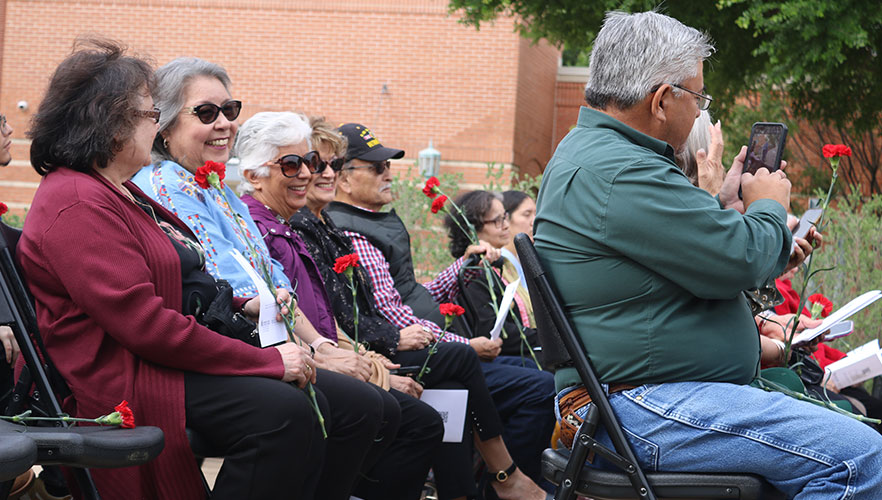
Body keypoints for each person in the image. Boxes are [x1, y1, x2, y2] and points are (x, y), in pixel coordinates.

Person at [533, 10, 882, 498]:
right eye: (698, 97)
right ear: (661, 100)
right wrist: (766, 206)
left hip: (640, 396)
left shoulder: (604, 157)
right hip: (637, 405)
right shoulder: (623, 171)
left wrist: (727, 210)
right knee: (862, 459)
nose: (700, 111)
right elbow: (739, 261)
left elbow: (694, 258)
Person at [18, 40, 323, 500]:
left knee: (321, 405)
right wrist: (266, 361)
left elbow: (172, 288)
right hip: (125, 376)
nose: (156, 124)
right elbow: (146, 325)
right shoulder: (77, 202)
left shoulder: (115, 190)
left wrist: (242, 304)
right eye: (149, 113)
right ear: (112, 123)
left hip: (154, 360)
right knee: (283, 414)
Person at [131, 58, 388, 500]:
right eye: (206, 113)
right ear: (166, 127)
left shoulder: (217, 188)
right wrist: (314, 352)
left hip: (259, 339)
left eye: (230, 110)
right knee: (328, 408)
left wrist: (320, 346)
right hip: (209, 351)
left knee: (363, 406)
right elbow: (231, 287)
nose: (224, 123)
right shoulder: (165, 185)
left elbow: (272, 280)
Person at [291, 117, 549, 500]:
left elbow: (407, 294)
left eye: (388, 165)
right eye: (377, 167)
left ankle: (470, 490)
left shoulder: (346, 224)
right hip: (380, 350)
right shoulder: (347, 230)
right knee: (521, 381)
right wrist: (460, 343)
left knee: (467, 385)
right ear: (346, 179)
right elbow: (375, 313)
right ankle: (504, 478)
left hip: (385, 345)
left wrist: (462, 265)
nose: (388, 173)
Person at [235, 111, 444, 500]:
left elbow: (328, 319)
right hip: (284, 364)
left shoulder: (287, 226)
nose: (310, 173)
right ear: (253, 175)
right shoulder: (259, 229)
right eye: (292, 164)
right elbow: (270, 315)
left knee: (411, 408)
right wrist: (350, 362)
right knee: (390, 411)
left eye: (312, 162)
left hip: (325, 355)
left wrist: (358, 357)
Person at [443, 190, 539, 358]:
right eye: (497, 221)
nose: (506, 225)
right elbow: (492, 331)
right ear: (473, 228)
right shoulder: (473, 274)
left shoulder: (502, 267)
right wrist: (545, 338)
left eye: (505, 217)